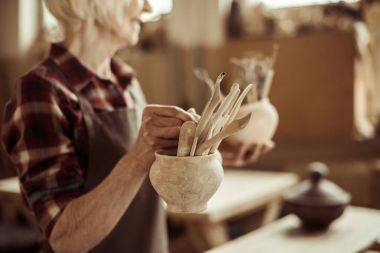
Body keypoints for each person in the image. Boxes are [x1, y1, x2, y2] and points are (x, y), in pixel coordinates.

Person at [1, 0, 273, 252]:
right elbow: (64, 238)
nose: (146, 7)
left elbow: (146, 170)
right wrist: (140, 154)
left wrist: (205, 152)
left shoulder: (124, 79)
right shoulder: (41, 90)